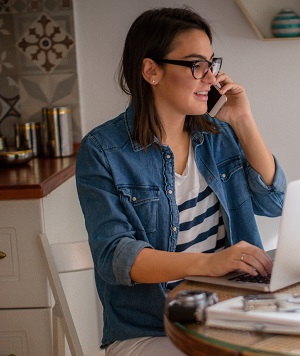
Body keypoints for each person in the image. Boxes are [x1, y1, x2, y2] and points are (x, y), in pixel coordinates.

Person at [75, 7, 287, 354]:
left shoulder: (219, 135)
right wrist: (210, 264)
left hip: (230, 313)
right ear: (151, 71)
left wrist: (244, 120)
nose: (211, 78)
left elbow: (274, 202)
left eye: (211, 63)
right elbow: (116, 256)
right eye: (195, 65)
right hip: (150, 330)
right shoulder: (103, 151)